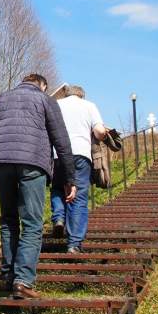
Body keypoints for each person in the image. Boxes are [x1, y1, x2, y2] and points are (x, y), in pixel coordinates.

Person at [0, 73, 76, 300]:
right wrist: (69, 179)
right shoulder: (45, 100)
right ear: (42, 85)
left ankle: (9, 277)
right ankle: (22, 281)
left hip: (1, 164)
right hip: (33, 163)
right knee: (32, 222)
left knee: (8, 219)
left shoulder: (1, 99)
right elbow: (61, 140)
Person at [51, 84, 107, 252]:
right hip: (80, 154)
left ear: (66, 94)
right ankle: (74, 243)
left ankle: (59, 218)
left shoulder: (56, 105)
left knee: (58, 188)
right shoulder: (89, 106)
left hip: (57, 154)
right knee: (79, 197)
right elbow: (99, 131)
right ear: (82, 95)